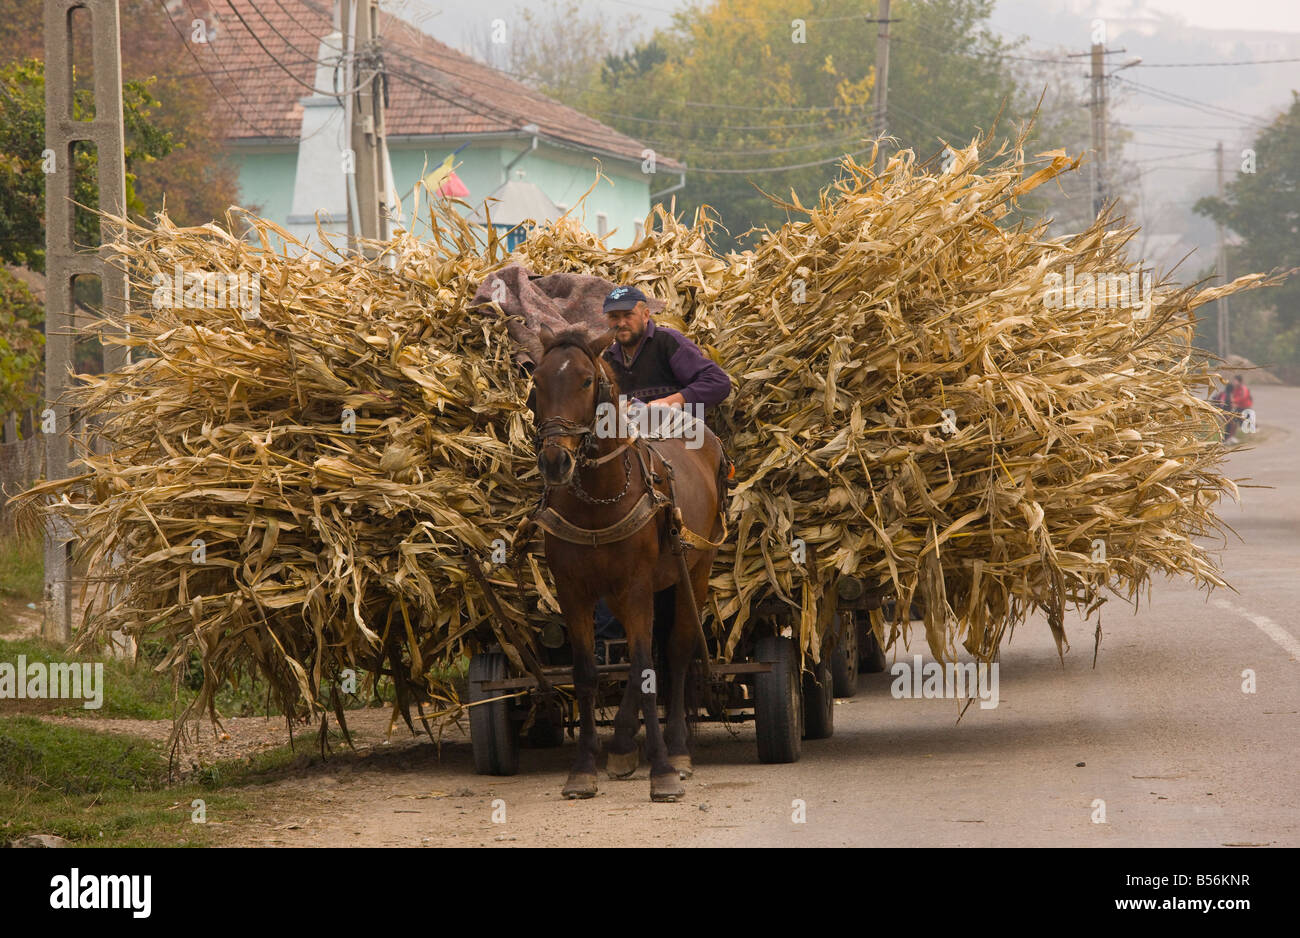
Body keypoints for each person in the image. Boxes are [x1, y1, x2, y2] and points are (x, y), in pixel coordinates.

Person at [591, 285, 733, 657]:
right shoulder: (606, 356)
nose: (620, 323)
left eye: (627, 315)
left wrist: (665, 404)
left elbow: (718, 383)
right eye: (614, 317)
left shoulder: (669, 344)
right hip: (626, 447)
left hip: (675, 441)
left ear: (645, 314)